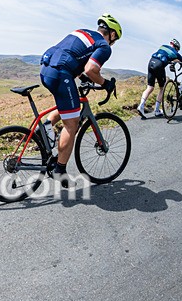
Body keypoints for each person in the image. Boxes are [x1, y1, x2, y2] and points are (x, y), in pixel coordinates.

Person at [39, 13, 122, 187]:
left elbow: (75, 59)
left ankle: (45, 127)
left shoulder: (83, 32)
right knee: (72, 124)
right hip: (60, 73)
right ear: (112, 34)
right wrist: (105, 84)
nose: (113, 43)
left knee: (70, 104)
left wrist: (84, 77)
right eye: (115, 39)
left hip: (46, 69)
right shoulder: (104, 46)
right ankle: (60, 170)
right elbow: (91, 69)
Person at [137, 38, 182, 118]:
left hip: (151, 62)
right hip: (159, 65)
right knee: (161, 88)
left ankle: (141, 106)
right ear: (176, 48)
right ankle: (156, 111)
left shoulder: (163, 46)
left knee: (150, 87)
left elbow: (167, 56)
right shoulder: (175, 53)